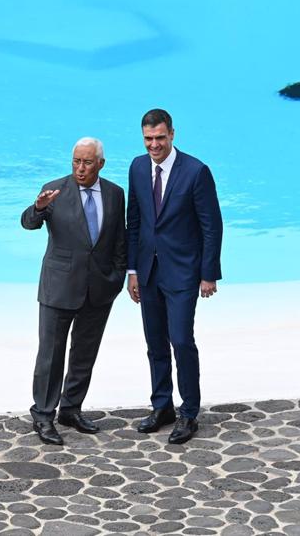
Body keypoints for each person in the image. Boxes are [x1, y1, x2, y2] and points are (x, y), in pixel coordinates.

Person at [21, 137, 127, 445]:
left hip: (99, 288)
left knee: (84, 354)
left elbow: (119, 239)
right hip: (59, 288)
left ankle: (71, 409)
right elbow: (28, 223)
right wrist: (38, 208)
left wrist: (117, 277)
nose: (81, 168)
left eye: (87, 162)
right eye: (76, 162)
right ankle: (43, 415)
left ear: (100, 164)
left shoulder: (115, 193)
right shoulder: (54, 189)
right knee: (50, 356)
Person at [126, 109, 223, 444]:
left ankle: (189, 413)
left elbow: (212, 226)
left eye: (160, 138)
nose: (154, 145)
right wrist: (132, 270)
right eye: (148, 139)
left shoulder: (196, 172)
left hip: (183, 272)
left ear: (172, 135)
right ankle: (162, 406)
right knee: (155, 344)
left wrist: (208, 273)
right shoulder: (138, 167)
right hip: (148, 272)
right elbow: (134, 221)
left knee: (181, 341)